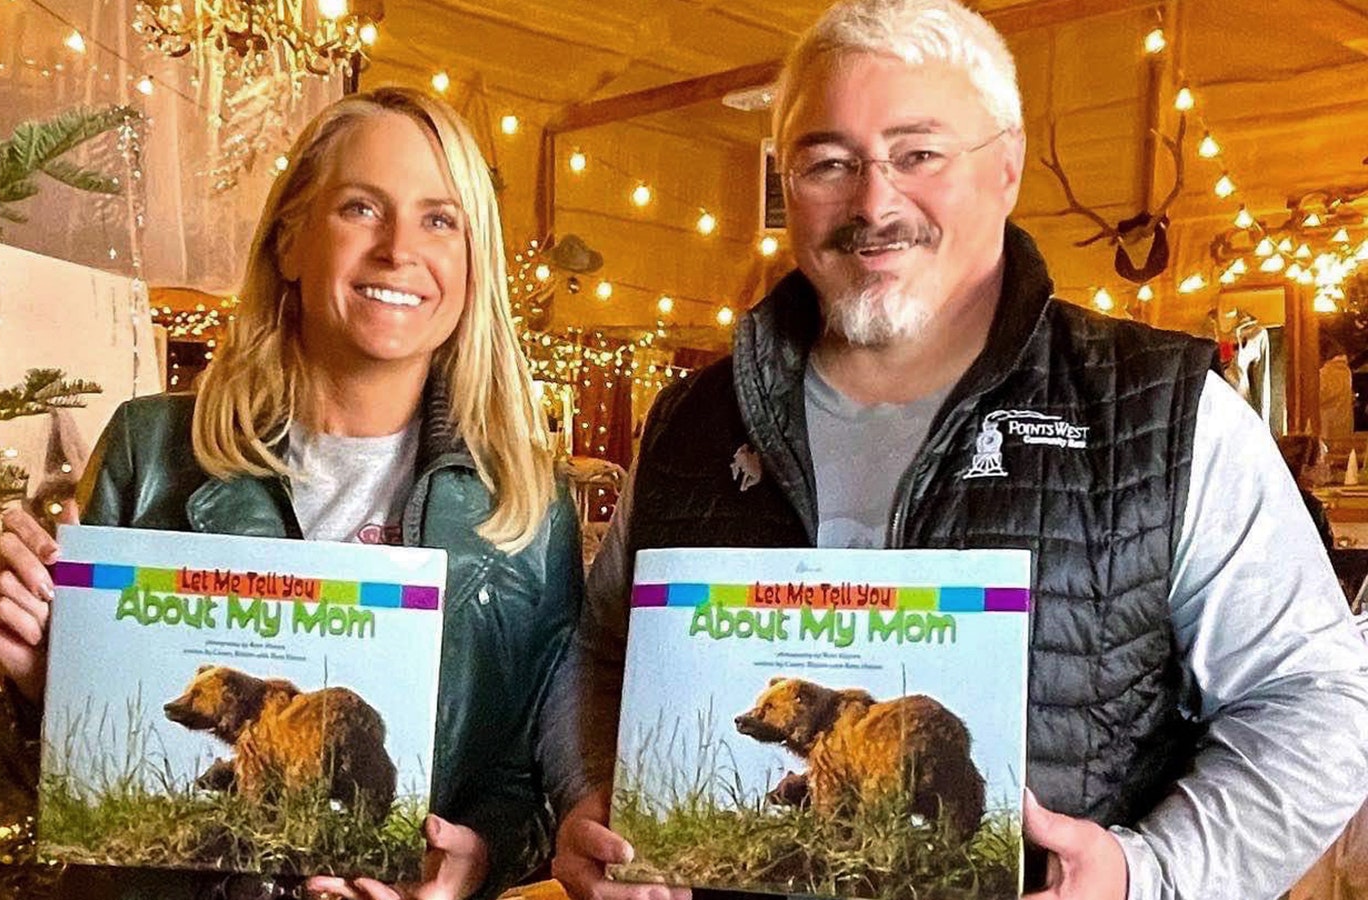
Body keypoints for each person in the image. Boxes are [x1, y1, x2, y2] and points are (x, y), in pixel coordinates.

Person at [541, 2, 1368, 899]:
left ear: (1006, 167)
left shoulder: (1162, 411)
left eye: (919, 153)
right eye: (828, 162)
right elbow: (597, 653)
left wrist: (1150, 872)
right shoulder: (692, 420)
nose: (873, 202)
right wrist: (585, 798)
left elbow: (1316, 702)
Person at [0, 86, 584, 900]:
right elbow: (66, 785)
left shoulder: (527, 507)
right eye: (362, 208)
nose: (400, 249)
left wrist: (475, 862)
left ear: (473, 266)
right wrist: (51, 683)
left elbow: (523, 779)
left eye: (441, 219)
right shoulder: (148, 451)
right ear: (290, 239)